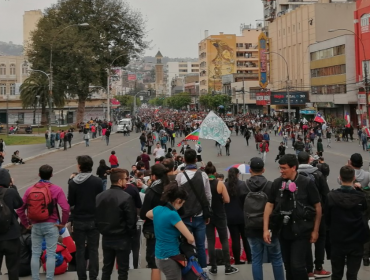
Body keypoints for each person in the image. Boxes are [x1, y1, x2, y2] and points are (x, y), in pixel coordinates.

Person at [263, 154, 322, 280]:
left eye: (284, 168)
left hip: (301, 231)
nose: (281, 171)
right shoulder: (277, 183)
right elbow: (269, 205)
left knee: (298, 266)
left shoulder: (306, 183)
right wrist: (265, 229)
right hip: (283, 231)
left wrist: (315, 231)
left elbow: (318, 207)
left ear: (293, 167)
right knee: (288, 266)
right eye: (280, 168)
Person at [17, 165, 70, 280]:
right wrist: (63, 223)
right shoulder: (56, 189)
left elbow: (20, 209)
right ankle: (49, 278)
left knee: (35, 253)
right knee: (50, 253)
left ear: (39, 175)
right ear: (51, 175)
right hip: (51, 225)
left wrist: (26, 224)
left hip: (35, 225)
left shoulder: (30, 190)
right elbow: (65, 209)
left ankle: (35, 278)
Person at [243, 158, 285, 280]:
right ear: (264, 170)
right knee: (276, 258)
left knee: (256, 259)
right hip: (270, 228)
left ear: (250, 170)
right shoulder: (271, 185)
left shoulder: (244, 186)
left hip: (251, 227)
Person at [326, 166, 369, 280]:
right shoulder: (360, 197)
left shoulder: (331, 196)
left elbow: (327, 218)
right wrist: (359, 190)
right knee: (352, 274)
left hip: (338, 239)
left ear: (340, 178)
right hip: (356, 239)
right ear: (354, 178)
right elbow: (364, 209)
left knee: (336, 273)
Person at [145, 182, 194, 280]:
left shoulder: (158, 209)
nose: (182, 205)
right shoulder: (172, 215)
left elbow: (147, 214)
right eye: (182, 203)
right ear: (178, 200)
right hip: (171, 256)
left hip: (159, 255)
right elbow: (191, 238)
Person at [96, 168, 137, 280]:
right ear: (119, 181)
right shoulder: (126, 197)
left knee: (107, 268)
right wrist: (130, 234)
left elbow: (96, 216)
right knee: (123, 270)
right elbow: (131, 220)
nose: (127, 181)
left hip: (106, 236)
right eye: (126, 179)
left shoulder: (100, 196)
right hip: (122, 237)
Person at [68, 156, 103, 280]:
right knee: (93, 250)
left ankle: (81, 276)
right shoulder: (98, 181)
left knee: (80, 250)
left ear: (79, 166)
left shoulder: (73, 183)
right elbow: (100, 200)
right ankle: (93, 276)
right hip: (94, 219)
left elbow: (71, 202)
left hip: (79, 219)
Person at [175, 149, 212, 269]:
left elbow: (177, 196)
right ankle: (202, 270)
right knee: (201, 246)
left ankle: (186, 270)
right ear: (196, 160)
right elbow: (208, 195)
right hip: (200, 216)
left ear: (184, 160)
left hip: (184, 217)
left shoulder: (180, 176)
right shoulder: (203, 175)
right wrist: (206, 210)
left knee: (184, 244)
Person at [297, 152, 331, 278]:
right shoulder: (318, 173)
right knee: (320, 239)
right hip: (317, 211)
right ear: (309, 160)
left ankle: (308, 269)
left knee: (305, 240)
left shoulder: (295, 174)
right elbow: (326, 193)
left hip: (301, 212)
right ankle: (319, 267)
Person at [204, 162, 238, 275]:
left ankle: (213, 267)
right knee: (224, 240)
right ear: (215, 173)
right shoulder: (220, 184)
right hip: (220, 214)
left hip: (208, 216)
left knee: (210, 241)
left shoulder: (203, 185)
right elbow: (227, 200)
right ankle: (227, 266)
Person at [140, 164, 169, 280]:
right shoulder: (171, 188)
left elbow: (143, 214)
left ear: (153, 176)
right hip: (170, 228)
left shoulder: (151, 192)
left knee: (155, 262)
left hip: (153, 229)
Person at [224, 167, 252, 264]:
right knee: (245, 238)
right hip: (242, 216)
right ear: (237, 174)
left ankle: (236, 260)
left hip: (230, 216)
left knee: (235, 239)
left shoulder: (225, 185)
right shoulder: (243, 184)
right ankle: (250, 258)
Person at [0, 168, 23, 280]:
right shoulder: (10, 192)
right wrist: (12, 186)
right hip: (11, 235)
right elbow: (19, 204)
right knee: (13, 267)